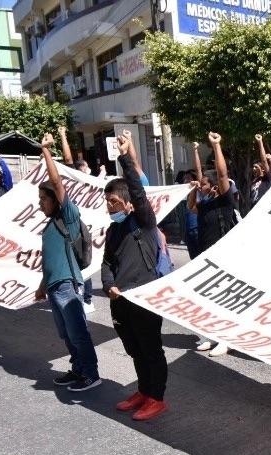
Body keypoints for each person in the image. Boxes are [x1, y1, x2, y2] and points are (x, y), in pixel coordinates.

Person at [100, 130, 169, 420]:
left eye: (114, 202)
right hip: (120, 301)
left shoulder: (143, 222)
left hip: (144, 298)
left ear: (127, 204)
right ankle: (143, 390)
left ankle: (157, 397)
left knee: (151, 349)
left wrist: (126, 157)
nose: (109, 208)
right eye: (106, 202)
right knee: (134, 349)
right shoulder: (113, 230)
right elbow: (106, 263)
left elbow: (139, 192)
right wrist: (109, 286)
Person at [34, 132, 101, 392]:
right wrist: (43, 285)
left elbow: (57, 183)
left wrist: (46, 152)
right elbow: (51, 259)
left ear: (55, 200)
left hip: (68, 286)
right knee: (65, 334)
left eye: (43, 199)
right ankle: (78, 369)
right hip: (54, 286)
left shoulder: (68, 218)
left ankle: (91, 374)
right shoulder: (50, 226)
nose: (40, 204)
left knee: (77, 333)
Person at [191, 131, 238, 358]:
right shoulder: (204, 204)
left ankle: (226, 339)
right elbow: (191, 205)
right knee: (208, 298)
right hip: (205, 257)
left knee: (224, 299)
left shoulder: (225, 201)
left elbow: (222, 173)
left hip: (225, 257)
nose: (201, 186)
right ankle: (213, 334)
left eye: (204, 184)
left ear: (215, 186)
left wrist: (216, 146)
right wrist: (193, 189)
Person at [57, 125, 96, 312]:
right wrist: (63, 135)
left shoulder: (91, 186)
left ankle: (87, 298)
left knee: (84, 262)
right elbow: (68, 159)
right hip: (72, 229)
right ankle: (79, 295)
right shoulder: (71, 185)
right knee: (75, 263)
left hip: (84, 230)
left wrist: (63, 135)